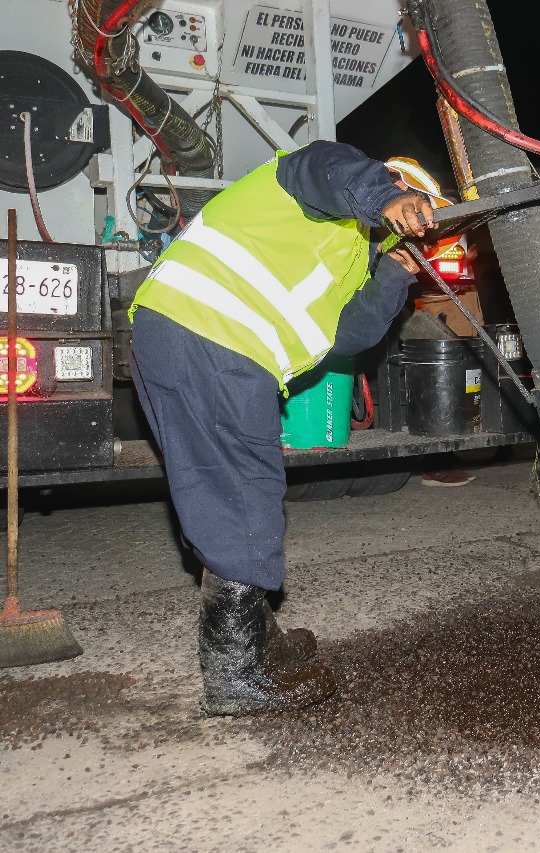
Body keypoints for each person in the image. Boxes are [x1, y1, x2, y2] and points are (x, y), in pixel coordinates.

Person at [129, 142, 437, 714]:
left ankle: (257, 637)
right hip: (212, 335)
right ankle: (235, 676)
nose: (414, 219)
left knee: (226, 492)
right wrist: (385, 194)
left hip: (192, 336)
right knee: (243, 495)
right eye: (411, 199)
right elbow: (319, 166)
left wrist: (393, 276)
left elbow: (345, 337)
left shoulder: (348, 251)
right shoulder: (318, 186)